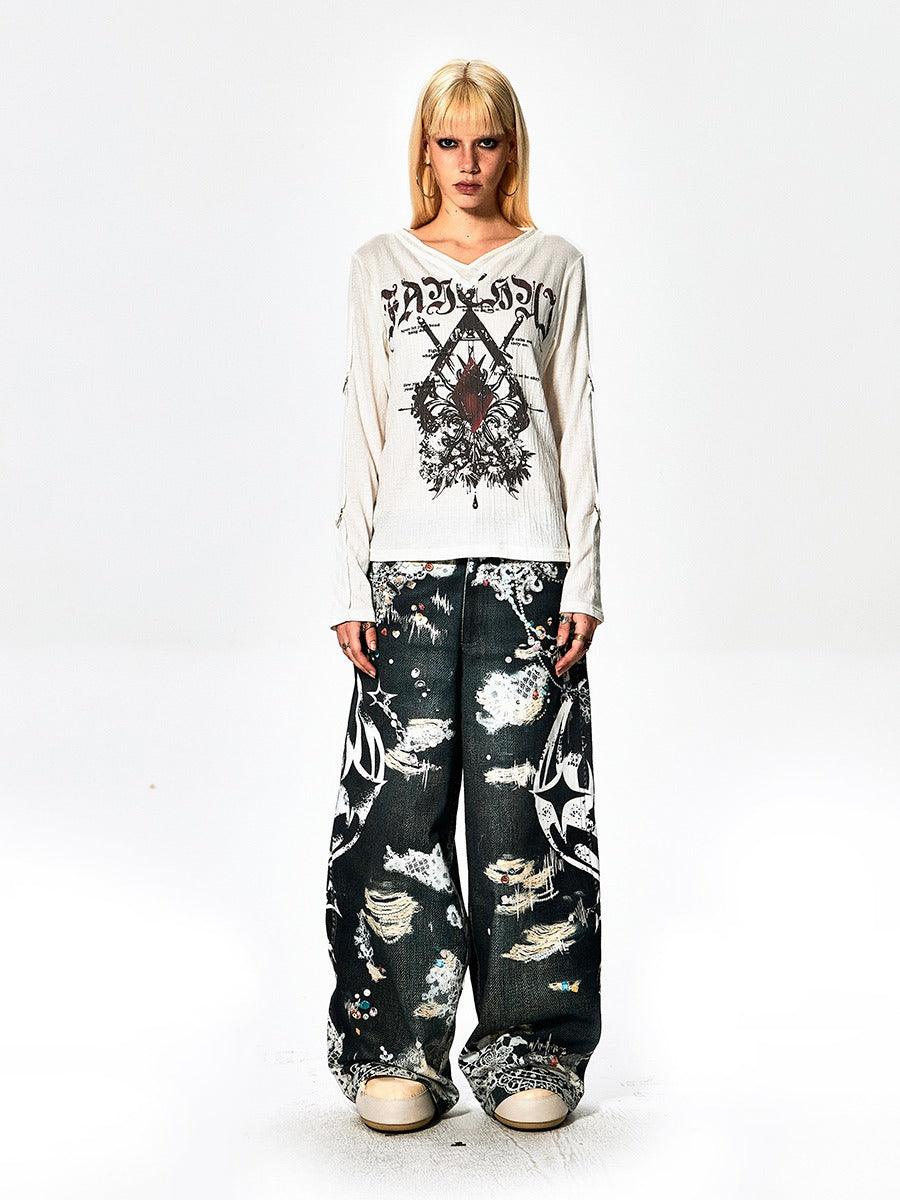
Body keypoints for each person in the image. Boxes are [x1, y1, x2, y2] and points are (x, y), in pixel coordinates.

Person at [324, 58, 604, 1134]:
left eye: (487, 141)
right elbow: (362, 424)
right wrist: (348, 577)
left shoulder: (554, 264)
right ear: (425, 150)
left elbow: (575, 422)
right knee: (397, 811)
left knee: (523, 811)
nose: (469, 162)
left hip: (529, 570)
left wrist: (587, 575)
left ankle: (532, 1047)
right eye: (450, 142)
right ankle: (396, 1047)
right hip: (405, 572)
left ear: (510, 148)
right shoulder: (378, 267)